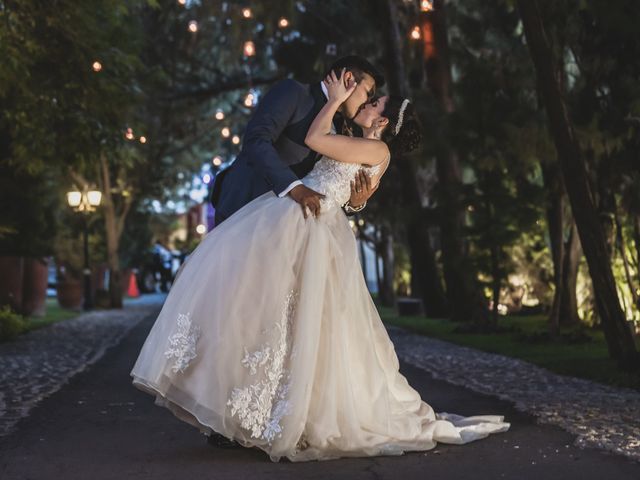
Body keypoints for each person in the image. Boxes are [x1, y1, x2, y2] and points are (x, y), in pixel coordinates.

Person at [130, 68, 510, 463]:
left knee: (300, 323)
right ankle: (250, 411)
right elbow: (346, 184)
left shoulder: (376, 149)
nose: (365, 102)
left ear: (381, 121)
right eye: (368, 94)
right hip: (295, 216)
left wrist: (331, 103)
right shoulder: (351, 134)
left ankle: (285, 415)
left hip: (310, 224)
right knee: (271, 318)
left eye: (373, 102)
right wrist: (355, 186)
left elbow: (318, 145)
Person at [209, 55, 383, 227]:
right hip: (243, 207)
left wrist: (354, 203)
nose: (367, 102)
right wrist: (294, 187)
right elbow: (256, 140)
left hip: (281, 226)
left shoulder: (345, 129)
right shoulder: (294, 92)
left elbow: (329, 186)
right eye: (368, 93)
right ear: (348, 79)